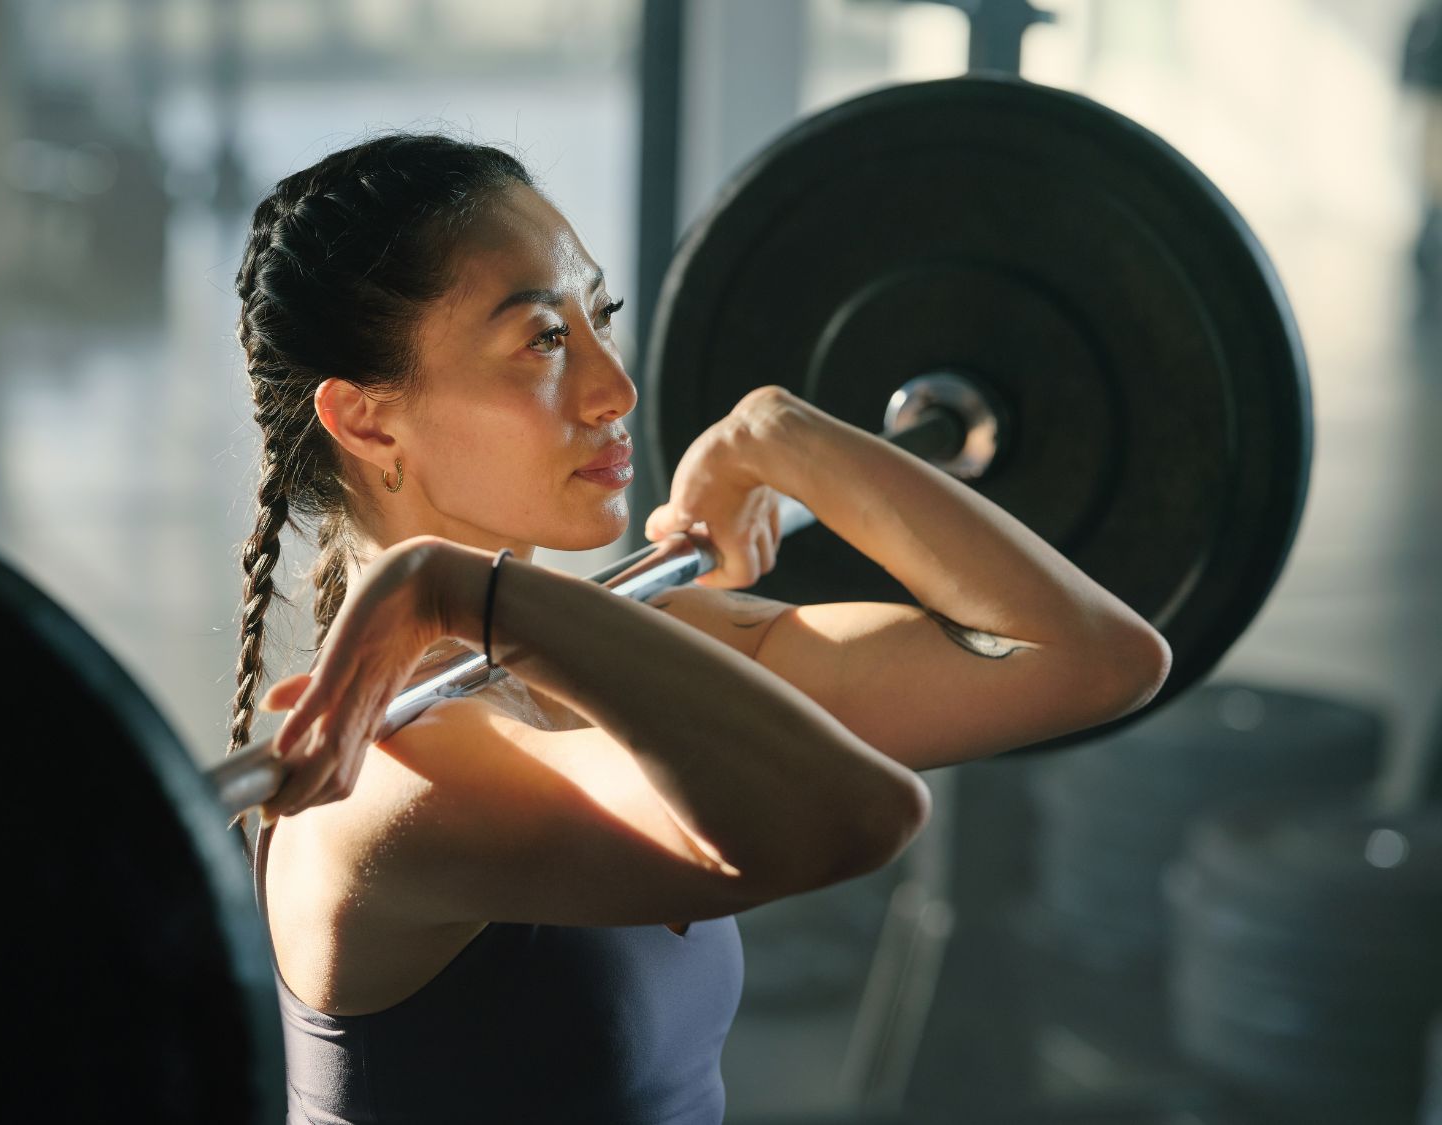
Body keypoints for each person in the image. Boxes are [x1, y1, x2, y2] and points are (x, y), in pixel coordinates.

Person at [225, 132, 1170, 1125]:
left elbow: (1092, 660)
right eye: (544, 339)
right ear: (369, 423)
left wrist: (788, 438)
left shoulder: (647, 638)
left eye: (601, 320)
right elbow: (858, 815)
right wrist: (461, 592)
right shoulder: (392, 779)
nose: (614, 391)